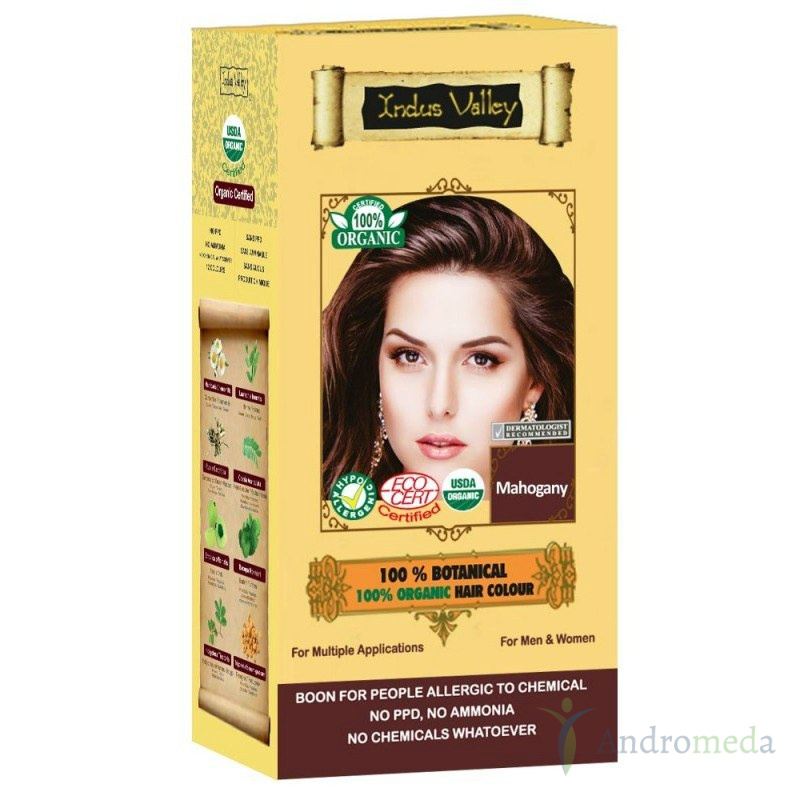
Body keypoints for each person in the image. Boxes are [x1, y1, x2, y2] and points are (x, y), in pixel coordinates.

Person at [322, 195, 574, 497]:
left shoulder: (578, 514)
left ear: (534, 382)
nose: (439, 405)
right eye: (409, 356)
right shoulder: (324, 514)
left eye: (481, 360)